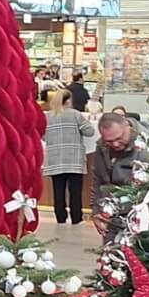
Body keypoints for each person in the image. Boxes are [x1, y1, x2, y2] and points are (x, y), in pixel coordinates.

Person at [42, 90, 95, 225]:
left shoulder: (47, 116)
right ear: (68, 100)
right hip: (74, 158)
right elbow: (90, 132)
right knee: (75, 191)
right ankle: (76, 217)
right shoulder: (76, 114)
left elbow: (42, 136)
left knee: (58, 190)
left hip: (55, 158)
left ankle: (60, 217)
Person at [90, 111, 146, 232]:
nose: (115, 144)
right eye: (109, 141)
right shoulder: (102, 147)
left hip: (143, 216)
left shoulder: (147, 144)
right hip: (112, 216)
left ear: (127, 126)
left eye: (119, 138)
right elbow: (99, 181)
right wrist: (96, 212)